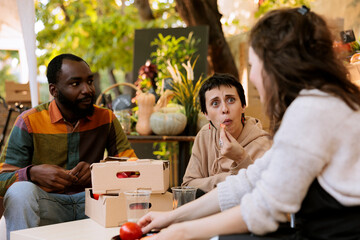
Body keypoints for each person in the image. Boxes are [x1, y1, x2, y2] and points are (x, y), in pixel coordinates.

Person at [138, 6, 360, 240]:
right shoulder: (322, 102)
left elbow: (264, 208)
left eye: (254, 66)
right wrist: (170, 217)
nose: (252, 77)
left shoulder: (311, 111)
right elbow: (248, 181)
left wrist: (182, 233)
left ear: (276, 65)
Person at [0, 53, 137, 239]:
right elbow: (2, 179)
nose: (87, 90)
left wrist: (98, 171)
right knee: (20, 191)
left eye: (89, 81)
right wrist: (32, 173)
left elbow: (135, 170)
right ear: (54, 90)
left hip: (93, 204)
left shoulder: (106, 118)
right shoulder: (28, 121)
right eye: (76, 84)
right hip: (48, 206)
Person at [181, 73, 272, 193]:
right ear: (206, 114)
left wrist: (241, 159)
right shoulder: (205, 135)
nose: (224, 109)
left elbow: (265, 192)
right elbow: (187, 186)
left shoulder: (263, 144)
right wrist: (229, 178)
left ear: (243, 106)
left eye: (231, 100)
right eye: (215, 103)